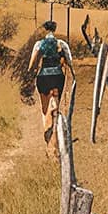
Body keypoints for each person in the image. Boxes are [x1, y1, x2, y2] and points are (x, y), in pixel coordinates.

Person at [26, 19, 75, 149]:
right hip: (58, 76)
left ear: (45, 30)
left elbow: (32, 62)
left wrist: (29, 72)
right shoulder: (61, 43)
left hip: (43, 77)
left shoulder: (39, 44)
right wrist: (72, 73)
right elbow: (69, 60)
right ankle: (56, 127)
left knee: (44, 108)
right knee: (56, 102)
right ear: (54, 30)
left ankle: (47, 132)